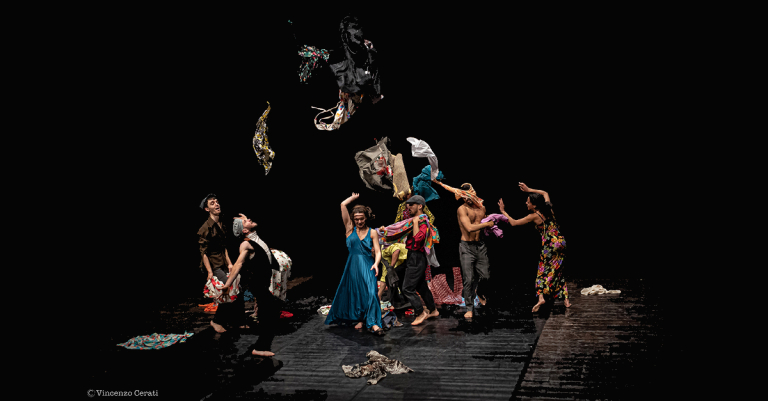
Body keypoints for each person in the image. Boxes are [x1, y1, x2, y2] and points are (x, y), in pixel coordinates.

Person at [498, 182, 570, 312]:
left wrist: (503, 212)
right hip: (561, 242)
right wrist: (529, 190)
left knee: (542, 272)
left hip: (550, 245)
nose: (526, 203)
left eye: (528, 202)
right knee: (558, 270)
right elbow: (545, 193)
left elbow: (513, 223)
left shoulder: (534, 216)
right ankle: (566, 300)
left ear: (534, 205)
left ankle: (541, 297)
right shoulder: (548, 209)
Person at [434, 181, 495, 319]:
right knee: (468, 278)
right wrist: (487, 223)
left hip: (480, 245)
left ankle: (479, 291)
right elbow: (469, 227)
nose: (467, 198)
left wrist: (492, 224)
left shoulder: (482, 208)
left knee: (486, 275)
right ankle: (469, 307)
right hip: (466, 247)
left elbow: (485, 224)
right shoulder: (462, 209)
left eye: (468, 195)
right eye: (464, 196)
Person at [325, 193, 384, 335]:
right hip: (352, 266)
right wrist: (353, 199)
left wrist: (376, 263)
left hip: (368, 265)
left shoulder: (372, 232)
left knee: (372, 293)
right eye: (356, 219)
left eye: (361, 218)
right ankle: (361, 318)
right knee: (357, 294)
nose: (359, 221)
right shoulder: (349, 229)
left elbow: (378, 251)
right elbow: (342, 205)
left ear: (366, 218)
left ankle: (374, 324)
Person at [222, 213, 280, 357]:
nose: (249, 219)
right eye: (246, 221)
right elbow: (238, 264)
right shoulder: (245, 244)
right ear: (244, 230)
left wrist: (243, 220)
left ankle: (262, 346)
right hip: (258, 285)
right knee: (269, 315)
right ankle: (260, 347)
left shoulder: (254, 238)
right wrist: (228, 284)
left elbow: (248, 228)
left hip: (263, 284)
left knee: (269, 313)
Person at [197, 194, 238, 333]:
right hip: (213, 264)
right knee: (227, 288)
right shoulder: (205, 228)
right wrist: (209, 271)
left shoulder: (221, 224)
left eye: (217, 202)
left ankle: (234, 320)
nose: (216, 204)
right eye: (212, 203)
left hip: (223, 262)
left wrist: (230, 263)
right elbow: (204, 253)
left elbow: (223, 247)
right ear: (207, 209)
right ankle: (216, 321)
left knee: (236, 286)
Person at [400, 195, 440, 326]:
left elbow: (417, 240)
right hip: (413, 256)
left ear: (420, 206)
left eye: (411, 204)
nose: (408, 207)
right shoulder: (414, 220)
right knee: (421, 286)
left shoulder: (423, 222)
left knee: (407, 288)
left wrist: (416, 222)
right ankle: (433, 310)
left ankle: (420, 312)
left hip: (417, 257)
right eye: (408, 204)